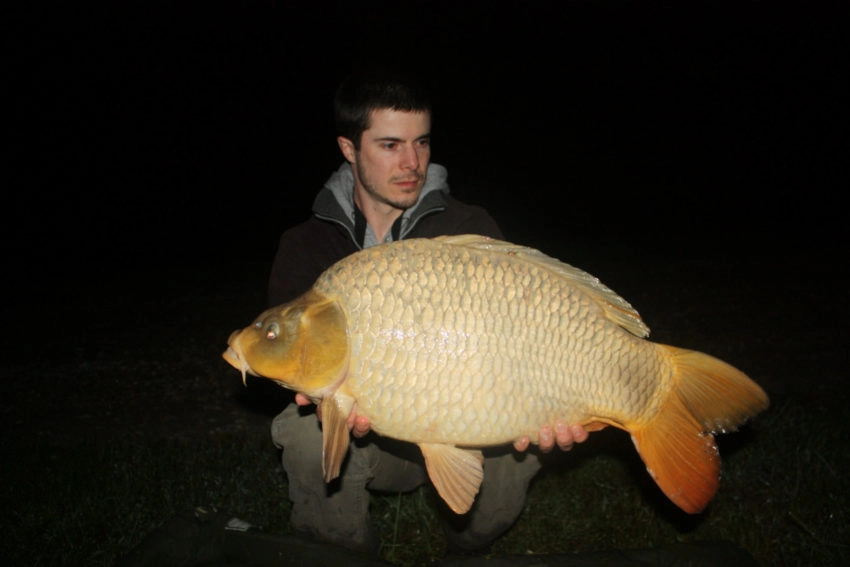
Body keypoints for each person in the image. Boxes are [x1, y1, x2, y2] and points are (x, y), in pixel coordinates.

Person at [267, 65, 589, 555]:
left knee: (497, 498)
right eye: (390, 145)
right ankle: (342, 553)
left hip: (476, 423)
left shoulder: (469, 225)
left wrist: (554, 403)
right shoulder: (306, 246)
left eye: (422, 142)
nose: (412, 162)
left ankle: (463, 547)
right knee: (304, 434)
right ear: (349, 149)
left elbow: (524, 337)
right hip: (373, 443)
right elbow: (290, 359)